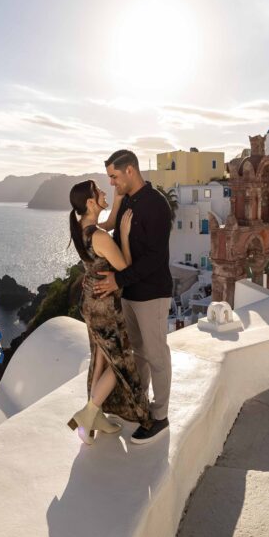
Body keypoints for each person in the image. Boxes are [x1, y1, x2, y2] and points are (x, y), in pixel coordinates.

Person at [92, 149, 173, 445]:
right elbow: (109, 228)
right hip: (129, 292)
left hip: (152, 294)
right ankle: (140, 407)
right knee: (138, 353)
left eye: (114, 176)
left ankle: (160, 417)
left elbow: (154, 258)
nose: (112, 183)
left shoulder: (157, 205)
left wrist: (118, 280)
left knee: (156, 355)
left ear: (130, 171)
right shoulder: (126, 199)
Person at [67, 180, 154, 445]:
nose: (105, 191)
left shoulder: (82, 227)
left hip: (90, 303)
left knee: (101, 359)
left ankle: (96, 419)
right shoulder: (100, 236)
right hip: (105, 307)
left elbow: (103, 230)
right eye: (99, 192)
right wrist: (124, 235)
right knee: (119, 364)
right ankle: (89, 412)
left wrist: (115, 202)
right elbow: (125, 266)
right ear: (91, 202)